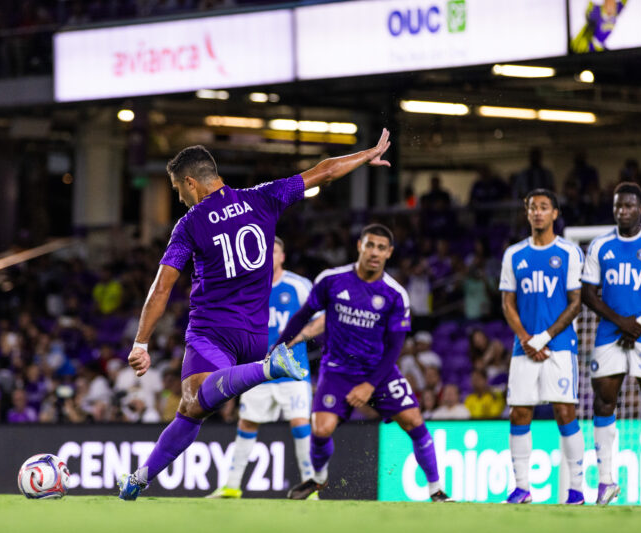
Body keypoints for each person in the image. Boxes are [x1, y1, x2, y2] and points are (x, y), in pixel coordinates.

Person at [118, 130, 393, 500]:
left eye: (176, 189)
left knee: (194, 397)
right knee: (191, 409)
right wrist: (367, 155)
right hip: (253, 336)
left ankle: (269, 368)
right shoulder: (262, 197)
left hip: (212, 331)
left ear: (190, 182)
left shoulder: (190, 224)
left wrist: (141, 342)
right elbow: (324, 171)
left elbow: (162, 287)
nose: (179, 197)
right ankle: (138, 479)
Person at [276, 224, 450, 501]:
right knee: (320, 431)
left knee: (415, 421)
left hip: (378, 371)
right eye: (370, 245)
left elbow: (395, 348)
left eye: (381, 248)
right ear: (360, 246)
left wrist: (370, 384)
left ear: (389, 253)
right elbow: (303, 315)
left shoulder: (395, 294)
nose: (375, 252)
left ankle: (436, 489)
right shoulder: (332, 280)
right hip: (337, 371)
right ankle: (318, 478)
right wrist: (279, 346)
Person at [581, 182, 641, 505]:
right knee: (603, 402)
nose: (622, 211)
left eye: (629, 206)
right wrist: (621, 321)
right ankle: (605, 481)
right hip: (609, 335)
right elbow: (587, 294)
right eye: (618, 206)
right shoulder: (599, 246)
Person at [209, 238, 326, 498]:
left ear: (282, 256)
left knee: (300, 423)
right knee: (247, 423)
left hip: (292, 372)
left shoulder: (298, 285)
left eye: (274, 251)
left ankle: (310, 487)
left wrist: (298, 336)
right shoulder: (247, 289)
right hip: (257, 372)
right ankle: (232, 486)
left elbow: (323, 319)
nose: (269, 255)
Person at [499, 189, 586, 504]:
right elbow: (508, 302)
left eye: (544, 207)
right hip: (524, 347)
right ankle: (522, 487)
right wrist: (525, 338)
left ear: (555, 214)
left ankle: (576, 488)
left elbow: (576, 303)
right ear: (527, 213)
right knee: (519, 412)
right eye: (532, 207)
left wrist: (544, 337)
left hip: (559, 347)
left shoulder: (569, 253)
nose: (537, 212)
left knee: (565, 411)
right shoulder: (514, 254)